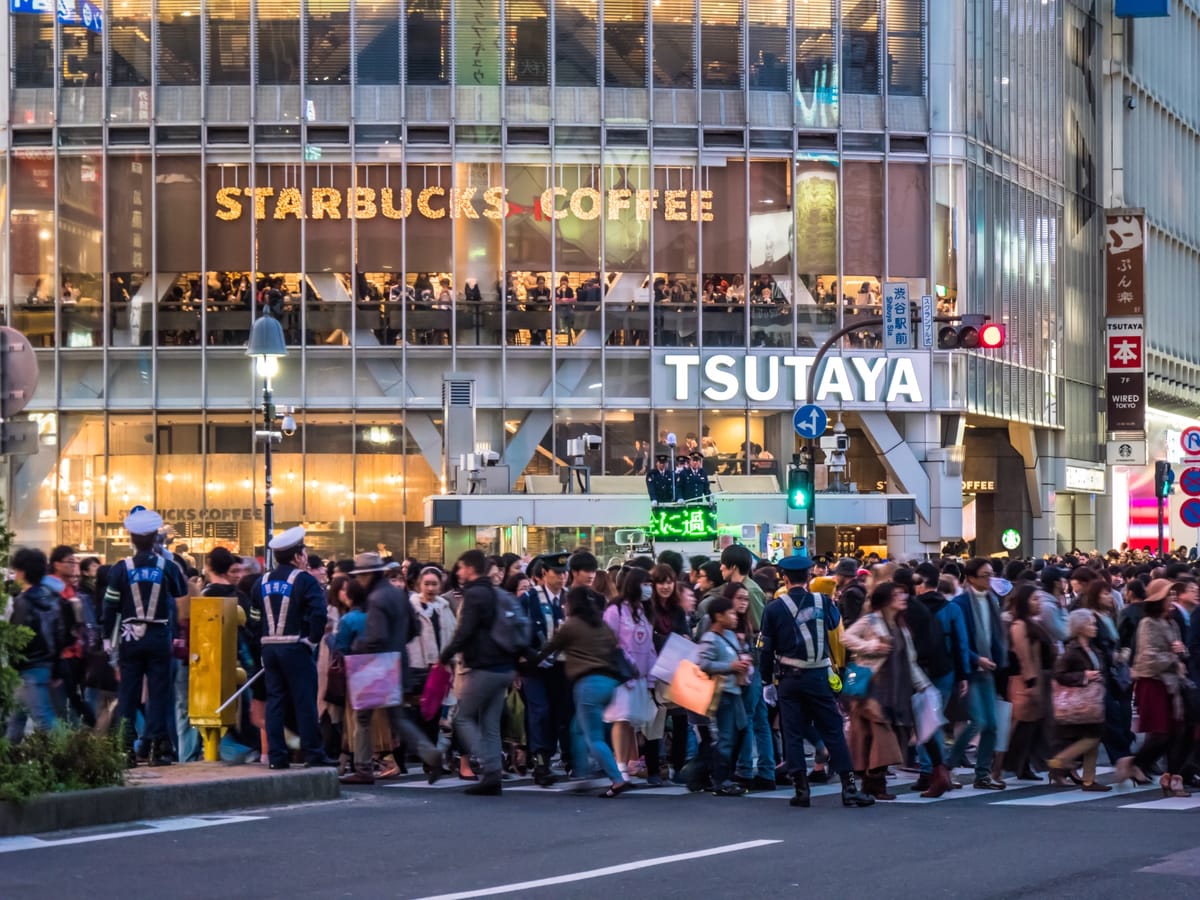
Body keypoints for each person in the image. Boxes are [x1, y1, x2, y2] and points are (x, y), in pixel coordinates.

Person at [759, 554, 873, 808]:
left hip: (789, 678)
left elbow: (766, 649)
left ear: (784, 578)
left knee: (793, 732)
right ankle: (849, 787)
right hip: (820, 675)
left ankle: (801, 790)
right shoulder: (824, 602)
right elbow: (834, 625)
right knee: (832, 730)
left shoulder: (774, 608)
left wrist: (767, 682)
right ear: (809, 577)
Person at [340, 553, 444, 785]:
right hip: (398, 662)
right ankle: (430, 752)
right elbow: (415, 628)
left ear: (368, 575)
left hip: (376, 665)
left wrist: (357, 646)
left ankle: (364, 768)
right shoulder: (398, 595)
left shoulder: (376, 599)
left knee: (364, 717)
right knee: (396, 718)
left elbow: (376, 637)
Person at [843, 581, 951, 800]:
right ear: (884, 600)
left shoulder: (901, 625)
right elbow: (846, 637)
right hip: (874, 688)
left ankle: (877, 781)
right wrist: (871, 646)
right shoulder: (871, 620)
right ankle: (875, 783)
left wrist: (923, 685)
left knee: (901, 733)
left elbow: (910, 661)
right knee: (882, 737)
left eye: (903, 594)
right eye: (897, 595)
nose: (903, 598)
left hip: (899, 687)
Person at [103, 509, 189, 766]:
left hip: (130, 637)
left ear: (130, 538)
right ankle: (156, 748)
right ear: (156, 538)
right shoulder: (168, 567)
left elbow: (110, 607)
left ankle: (125, 749)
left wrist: (108, 638)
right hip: (160, 636)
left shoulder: (121, 569)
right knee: (158, 693)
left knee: (128, 694)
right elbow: (180, 591)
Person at [535, 586, 633, 798]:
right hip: (609, 684)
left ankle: (616, 778)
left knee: (593, 737)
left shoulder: (571, 625)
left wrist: (527, 663)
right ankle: (581, 775)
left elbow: (549, 648)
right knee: (577, 729)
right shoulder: (601, 625)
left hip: (588, 684)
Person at [251, 526, 335, 769]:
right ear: (298, 556)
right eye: (304, 552)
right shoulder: (305, 580)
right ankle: (313, 753)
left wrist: (262, 642)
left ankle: (277, 757)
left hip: (269, 648)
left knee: (275, 701)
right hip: (296, 647)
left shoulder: (261, 582)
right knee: (304, 700)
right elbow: (319, 614)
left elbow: (254, 618)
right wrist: (311, 640)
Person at [439, 549, 516, 796]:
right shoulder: (498, 594)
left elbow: (464, 631)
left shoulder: (474, 595)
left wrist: (446, 654)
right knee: (490, 724)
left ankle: (489, 763)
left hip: (482, 667)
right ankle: (492, 777)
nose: (458, 572)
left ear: (470, 568)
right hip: (504, 667)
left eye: (461, 567)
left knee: (462, 717)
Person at [1118, 579, 1192, 797]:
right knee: (1161, 733)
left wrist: (1181, 651)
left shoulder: (1172, 623)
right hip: (1153, 682)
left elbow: (1180, 653)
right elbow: (1148, 657)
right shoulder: (1148, 623)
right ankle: (1135, 762)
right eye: (1168, 595)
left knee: (1178, 731)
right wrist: (1173, 655)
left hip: (1171, 683)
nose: (1172, 600)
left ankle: (1171, 776)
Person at [948, 558, 1008, 790]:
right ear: (971, 578)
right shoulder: (961, 603)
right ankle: (948, 764)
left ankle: (982, 774)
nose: (989, 579)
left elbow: (996, 635)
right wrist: (976, 659)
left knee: (991, 724)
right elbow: (958, 640)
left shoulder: (993, 600)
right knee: (979, 721)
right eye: (984, 575)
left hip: (988, 669)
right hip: (969, 670)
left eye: (991, 574)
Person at [519, 553, 574, 786]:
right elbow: (519, 632)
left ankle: (550, 755)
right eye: (557, 573)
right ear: (544, 573)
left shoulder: (570, 599)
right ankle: (541, 761)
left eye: (564, 573)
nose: (562, 578)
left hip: (562, 666)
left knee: (558, 714)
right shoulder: (530, 598)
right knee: (539, 711)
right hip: (535, 666)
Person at [1048, 609, 1112, 792]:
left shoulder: (1093, 650)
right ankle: (1059, 762)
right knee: (1091, 737)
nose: (1094, 627)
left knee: (1093, 737)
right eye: (1090, 624)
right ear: (1080, 627)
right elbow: (1059, 674)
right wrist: (1084, 675)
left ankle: (1088, 780)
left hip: (1092, 702)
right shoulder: (1071, 651)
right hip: (1080, 703)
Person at [5, 548, 65, 742]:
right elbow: (59, 635)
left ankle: (72, 756)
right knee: (16, 719)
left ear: (22, 572)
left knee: (44, 718)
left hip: (28, 667)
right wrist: (56, 668)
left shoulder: (23, 602)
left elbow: (18, 638)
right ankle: (7, 762)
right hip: (45, 664)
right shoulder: (52, 598)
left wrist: (12, 666)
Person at [698, 594, 752, 796]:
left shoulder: (730, 635)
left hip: (735, 691)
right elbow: (703, 664)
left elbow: (742, 653)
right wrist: (730, 666)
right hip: (721, 694)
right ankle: (721, 779)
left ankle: (722, 774)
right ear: (718, 616)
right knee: (727, 736)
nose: (735, 615)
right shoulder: (710, 639)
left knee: (741, 731)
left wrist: (743, 656)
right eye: (730, 612)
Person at [1003, 583, 1056, 782]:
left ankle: (1022, 765)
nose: (1038, 603)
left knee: (1032, 727)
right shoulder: (1019, 625)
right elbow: (1024, 656)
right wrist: (1031, 682)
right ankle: (1005, 764)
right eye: (1034, 599)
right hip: (1025, 681)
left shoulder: (1033, 623)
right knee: (1022, 727)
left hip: (1037, 678)